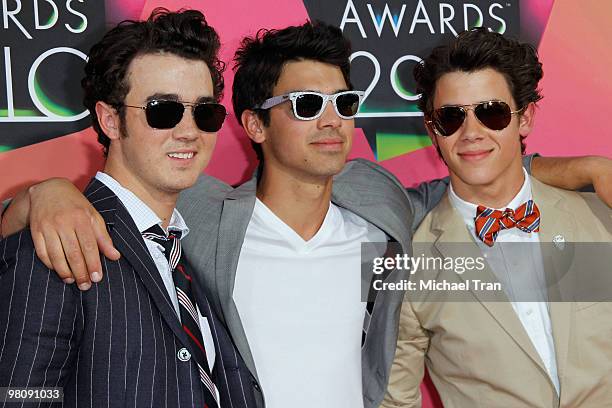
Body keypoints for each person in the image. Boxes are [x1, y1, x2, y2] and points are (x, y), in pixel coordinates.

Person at [2, 21, 611, 408]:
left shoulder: (387, 215)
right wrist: (45, 192)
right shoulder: (199, 217)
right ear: (252, 124)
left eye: (343, 103)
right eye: (306, 104)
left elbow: (477, 177)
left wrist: (586, 167)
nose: (331, 119)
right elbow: (122, 192)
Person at [0, 9, 259, 407]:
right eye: (163, 110)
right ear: (110, 120)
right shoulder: (58, 242)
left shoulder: (192, 245)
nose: (189, 131)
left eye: (204, 112)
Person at [382, 28, 612, 408]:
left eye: (492, 113)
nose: (471, 132)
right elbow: (393, 400)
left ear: (525, 119)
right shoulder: (407, 262)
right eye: (452, 117)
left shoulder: (599, 217)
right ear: (433, 130)